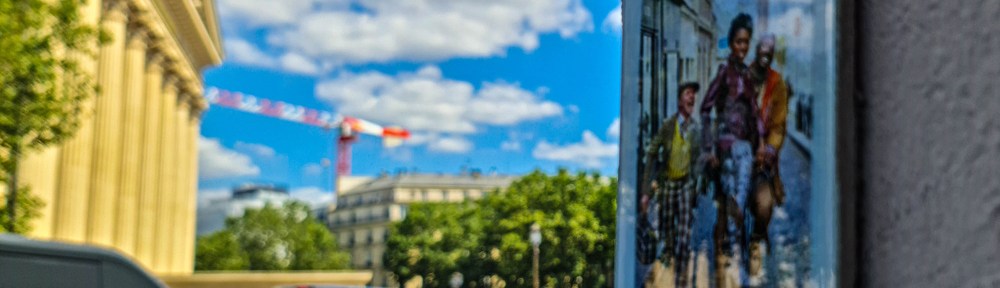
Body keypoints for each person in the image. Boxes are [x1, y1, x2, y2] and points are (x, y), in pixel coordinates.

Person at [700, 13, 763, 286]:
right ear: (731, 42)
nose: (742, 47)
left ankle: (739, 264)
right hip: (726, 148)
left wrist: (761, 144)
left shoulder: (748, 76)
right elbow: (705, 109)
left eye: (746, 43)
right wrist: (708, 148)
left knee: (744, 202)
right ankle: (724, 265)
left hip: (746, 150)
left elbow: (754, 114)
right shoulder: (724, 73)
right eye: (738, 42)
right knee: (729, 206)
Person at [639, 82, 703, 287]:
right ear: (679, 100)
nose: (691, 97)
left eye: (693, 94)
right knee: (668, 237)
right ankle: (667, 266)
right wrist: (646, 191)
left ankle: (681, 279)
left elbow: (699, 158)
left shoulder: (695, 129)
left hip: (685, 185)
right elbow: (651, 153)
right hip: (668, 185)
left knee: (684, 235)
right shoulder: (667, 126)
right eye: (687, 93)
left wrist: (699, 180)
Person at [746, 34, 790, 282]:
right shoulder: (741, 77)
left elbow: (779, 124)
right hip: (738, 155)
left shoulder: (777, 83)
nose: (765, 54)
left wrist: (770, 150)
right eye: (762, 49)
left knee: (765, 205)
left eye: (769, 51)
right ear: (756, 51)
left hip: (762, 162)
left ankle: (756, 239)